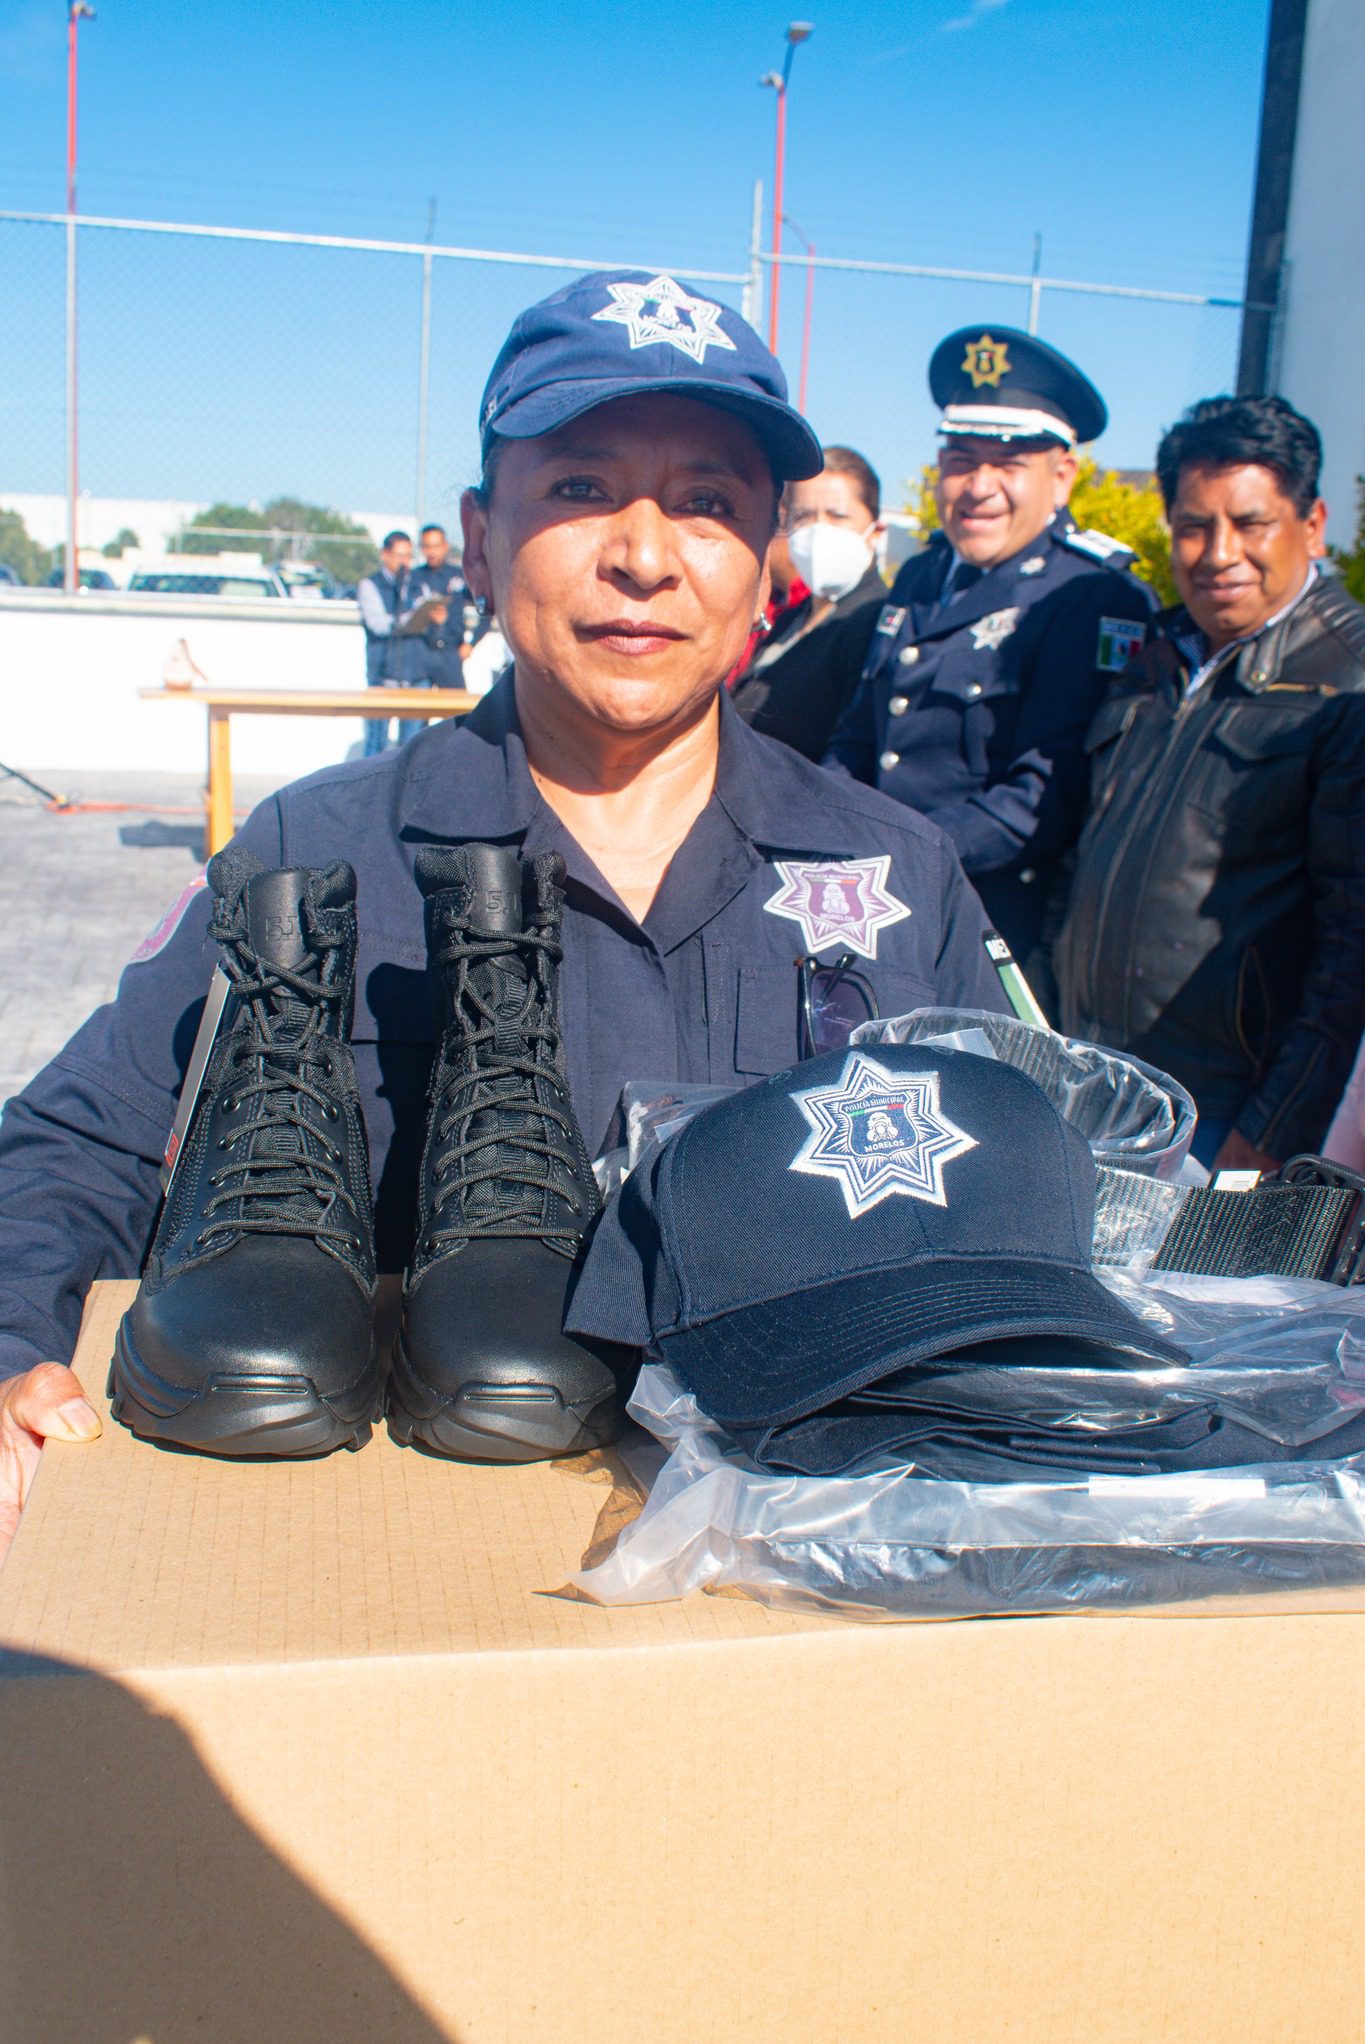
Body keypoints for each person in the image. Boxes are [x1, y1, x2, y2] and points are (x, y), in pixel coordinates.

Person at [0, 267, 1009, 1551]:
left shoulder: (898, 870)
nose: (643, 556)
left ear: (764, 567)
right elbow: (73, 1138)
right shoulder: (321, 849)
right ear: (481, 537)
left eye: (707, 504)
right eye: (582, 489)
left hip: (798, 1568)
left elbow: (1030, 1199)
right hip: (406, 1572)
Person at [1054, 393, 1365, 1173]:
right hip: (1100, 1085)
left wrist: (1264, 1142)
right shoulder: (1152, 657)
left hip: (1225, 1116)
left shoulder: (1347, 682)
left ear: (1312, 524)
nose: (1217, 552)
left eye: (1249, 524)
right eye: (1192, 526)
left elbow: (1348, 958)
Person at [823, 326, 1155, 967]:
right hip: (874, 902)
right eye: (961, 460)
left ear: (1061, 476)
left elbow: (1037, 802)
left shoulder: (1091, 596)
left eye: (1007, 464)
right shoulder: (922, 575)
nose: (978, 486)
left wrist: (886, 854)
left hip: (986, 929)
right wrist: (820, 825)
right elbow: (859, 733)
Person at [732, 445, 889, 760]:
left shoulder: (872, 621)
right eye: (804, 516)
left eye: (838, 515)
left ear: (876, 531)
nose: (820, 530)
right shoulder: (793, 617)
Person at [356, 530, 420, 755]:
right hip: (381, 671)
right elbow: (378, 625)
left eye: (409, 556)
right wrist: (409, 619)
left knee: (412, 744)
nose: (405, 562)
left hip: (411, 673)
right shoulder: (370, 585)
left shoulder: (414, 584)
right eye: (399, 555)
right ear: (385, 554)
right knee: (376, 742)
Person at [405, 523, 472, 691]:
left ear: (445, 546)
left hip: (450, 652)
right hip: (421, 652)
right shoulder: (414, 577)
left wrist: (471, 643)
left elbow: (486, 609)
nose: (432, 552)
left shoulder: (459, 575)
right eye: (427, 546)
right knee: (415, 714)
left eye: (436, 546)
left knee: (457, 711)